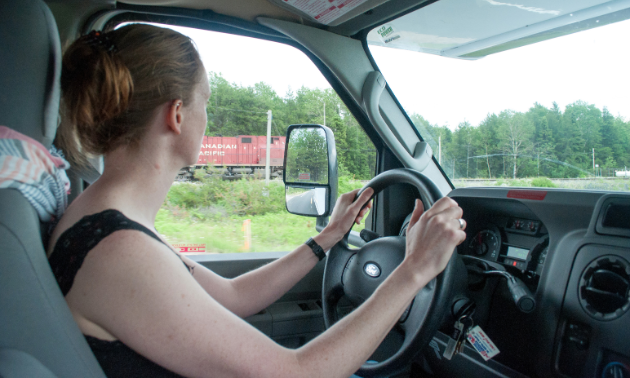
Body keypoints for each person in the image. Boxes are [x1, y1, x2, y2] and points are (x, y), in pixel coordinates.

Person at [47, 24, 467, 378]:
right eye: (205, 102)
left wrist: (327, 239)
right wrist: (414, 269)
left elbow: (232, 297)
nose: (206, 118)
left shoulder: (109, 222)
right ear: (176, 115)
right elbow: (296, 373)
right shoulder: (119, 249)